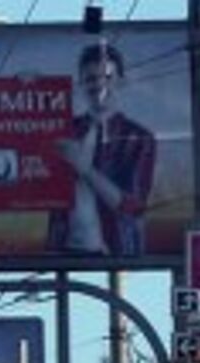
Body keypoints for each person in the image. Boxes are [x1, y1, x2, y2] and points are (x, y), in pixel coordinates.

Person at [47, 41, 157, 257]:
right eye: (90, 79)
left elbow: (132, 206)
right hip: (64, 249)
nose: (99, 86)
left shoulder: (138, 138)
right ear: (80, 85)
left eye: (107, 78)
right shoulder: (65, 132)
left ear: (121, 82)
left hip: (117, 247)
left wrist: (84, 169)